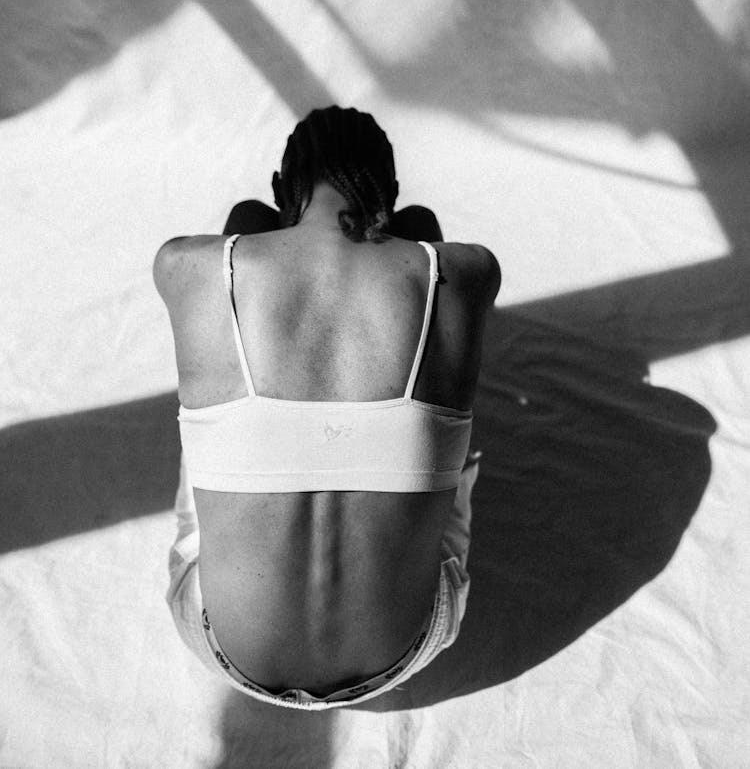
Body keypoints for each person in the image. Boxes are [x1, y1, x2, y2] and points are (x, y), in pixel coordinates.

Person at [153, 105, 501, 709]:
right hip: (405, 650)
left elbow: (249, 227)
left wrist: (266, 226)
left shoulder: (187, 265)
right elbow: (416, 230)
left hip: (226, 650)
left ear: (282, 188)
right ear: (386, 194)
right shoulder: (470, 272)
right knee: (424, 240)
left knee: (241, 237)